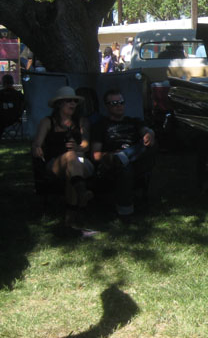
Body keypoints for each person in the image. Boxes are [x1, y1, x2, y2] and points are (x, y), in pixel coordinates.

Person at [31, 85, 96, 237]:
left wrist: (78, 147)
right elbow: (37, 143)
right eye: (68, 101)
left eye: (74, 101)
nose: (73, 104)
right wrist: (37, 148)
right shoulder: (48, 122)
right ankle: (80, 201)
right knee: (70, 159)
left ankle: (69, 224)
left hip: (80, 162)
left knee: (72, 168)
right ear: (59, 104)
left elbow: (86, 145)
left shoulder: (81, 121)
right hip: (55, 163)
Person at [91, 89, 156, 217]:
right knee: (124, 166)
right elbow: (95, 154)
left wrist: (150, 134)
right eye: (114, 103)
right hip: (112, 164)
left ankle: (124, 156)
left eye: (121, 102)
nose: (119, 105)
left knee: (151, 144)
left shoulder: (134, 121)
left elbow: (146, 131)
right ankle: (126, 212)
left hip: (137, 159)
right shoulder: (101, 126)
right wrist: (109, 156)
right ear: (107, 106)